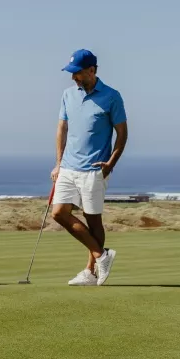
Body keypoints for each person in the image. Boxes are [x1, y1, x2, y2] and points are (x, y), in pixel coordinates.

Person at [51, 49, 128, 286]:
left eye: (78, 73)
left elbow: (122, 133)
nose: (74, 78)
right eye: (72, 74)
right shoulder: (68, 95)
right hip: (68, 167)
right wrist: (58, 163)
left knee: (93, 220)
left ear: (92, 71)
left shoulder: (112, 96)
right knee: (59, 213)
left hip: (95, 169)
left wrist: (110, 164)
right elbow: (62, 129)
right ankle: (101, 255)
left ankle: (90, 272)